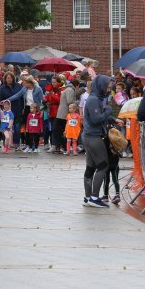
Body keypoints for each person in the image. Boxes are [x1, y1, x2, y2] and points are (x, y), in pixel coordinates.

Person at [82, 75, 119, 208]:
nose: (109, 90)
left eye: (110, 88)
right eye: (107, 87)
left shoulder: (97, 98)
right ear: (100, 86)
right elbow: (96, 119)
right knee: (103, 166)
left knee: (90, 167)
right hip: (94, 136)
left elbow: (99, 116)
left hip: (89, 136)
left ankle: (88, 197)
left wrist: (113, 119)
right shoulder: (93, 100)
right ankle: (94, 197)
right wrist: (108, 111)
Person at [55, 75, 77, 154]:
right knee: (64, 131)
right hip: (64, 114)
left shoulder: (66, 89)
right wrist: (76, 103)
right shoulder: (70, 90)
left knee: (59, 131)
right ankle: (63, 147)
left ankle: (59, 147)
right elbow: (69, 101)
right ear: (76, 85)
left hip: (61, 113)